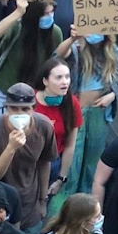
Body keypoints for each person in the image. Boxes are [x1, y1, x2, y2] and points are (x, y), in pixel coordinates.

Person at [0, 82, 56, 234]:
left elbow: (44, 163)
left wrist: (43, 200)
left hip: (30, 206)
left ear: (33, 109)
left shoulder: (44, 127)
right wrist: (11, 148)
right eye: (14, 109)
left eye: (25, 109)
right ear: (6, 108)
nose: (20, 114)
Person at [54, 30, 118, 195]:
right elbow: (58, 55)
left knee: (93, 159)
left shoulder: (114, 51)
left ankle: (84, 201)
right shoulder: (77, 48)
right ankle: (65, 199)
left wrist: (112, 95)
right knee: (73, 159)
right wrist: (72, 38)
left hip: (99, 112)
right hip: (78, 112)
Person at [0, 0, 62, 117]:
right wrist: (18, 12)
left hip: (33, 98)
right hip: (4, 95)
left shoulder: (55, 32)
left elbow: (56, 60)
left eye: (51, 12)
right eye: (45, 14)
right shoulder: (17, 28)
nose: (49, 17)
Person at [33, 59, 83, 217]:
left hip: (53, 162)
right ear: (45, 81)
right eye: (59, 77)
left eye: (67, 77)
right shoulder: (30, 101)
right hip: (28, 160)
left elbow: (70, 145)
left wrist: (61, 178)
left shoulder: (72, 103)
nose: (65, 82)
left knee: (42, 209)